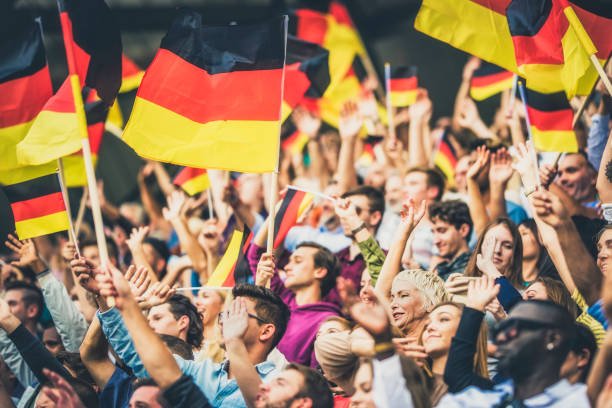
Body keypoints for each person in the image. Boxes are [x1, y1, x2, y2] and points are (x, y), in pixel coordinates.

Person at [438, 300, 589, 406]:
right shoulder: (474, 401)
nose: (502, 338)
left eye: (513, 330)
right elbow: (456, 375)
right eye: (498, 331)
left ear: (553, 339)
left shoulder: (584, 401)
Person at [255, 241, 341, 367]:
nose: (287, 267)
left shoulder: (327, 323)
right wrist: (260, 285)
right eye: (289, 261)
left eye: (298, 261)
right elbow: (256, 254)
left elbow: (316, 378)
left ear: (320, 271)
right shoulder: (281, 301)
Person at [428, 200, 473, 280]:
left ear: (463, 230)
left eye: (442, 230)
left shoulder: (470, 270)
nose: (436, 241)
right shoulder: (441, 266)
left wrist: (431, 276)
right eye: (433, 232)